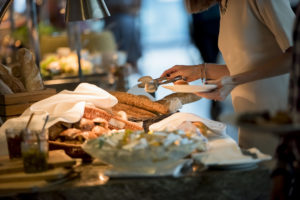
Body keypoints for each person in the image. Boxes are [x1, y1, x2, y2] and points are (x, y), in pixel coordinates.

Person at [160, 0, 295, 155]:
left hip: (277, 120)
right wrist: (201, 70)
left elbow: (295, 57)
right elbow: (248, 65)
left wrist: (233, 81)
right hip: (249, 120)